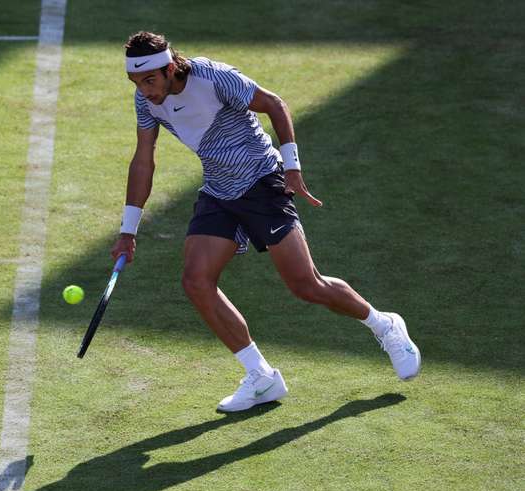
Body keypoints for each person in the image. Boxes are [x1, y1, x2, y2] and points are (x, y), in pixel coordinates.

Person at [110, 31, 421, 412]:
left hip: (262, 182)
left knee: (306, 285)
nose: (144, 91)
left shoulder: (213, 77)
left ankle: (384, 325)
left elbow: (274, 104)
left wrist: (292, 167)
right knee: (196, 280)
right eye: (136, 83)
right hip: (219, 191)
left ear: (170, 67)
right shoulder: (147, 102)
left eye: (149, 80)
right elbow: (144, 160)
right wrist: (128, 231)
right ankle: (261, 377)